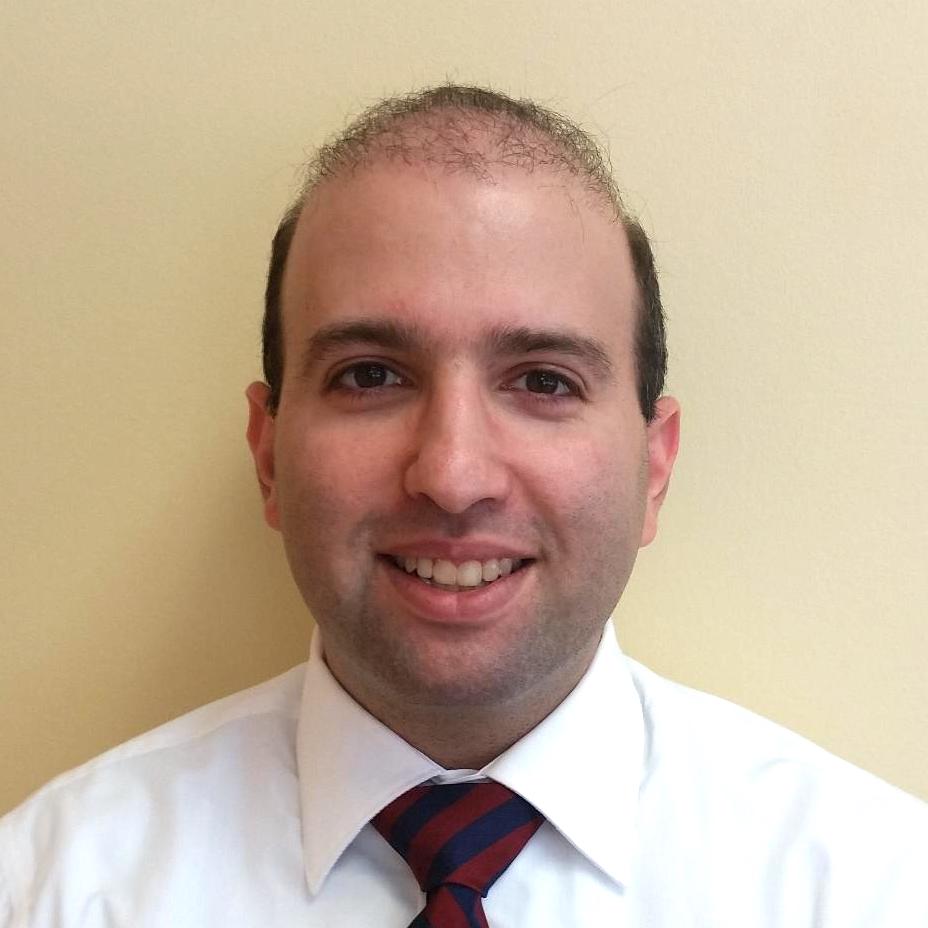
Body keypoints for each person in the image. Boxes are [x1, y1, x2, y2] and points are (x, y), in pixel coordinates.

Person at [1, 84, 926, 927]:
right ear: (268, 455)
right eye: (370, 375)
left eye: (544, 381)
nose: (451, 474)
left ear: (654, 467)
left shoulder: (875, 889)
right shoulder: (50, 889)